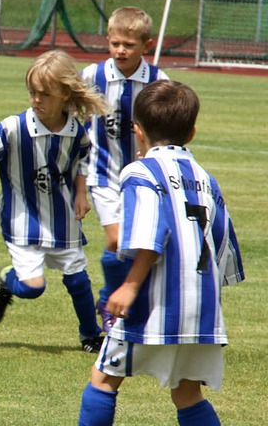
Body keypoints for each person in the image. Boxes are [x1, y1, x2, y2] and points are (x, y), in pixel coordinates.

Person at [78, 80, 245, 426]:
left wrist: (129, 286)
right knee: (187, 394)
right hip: (202, 311)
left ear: (138, 132)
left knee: (104, 379)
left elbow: (150, 235)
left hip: (155, 304)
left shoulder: (140, 173)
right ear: (193, 132)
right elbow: (223, 245)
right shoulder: (205, 179)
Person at [0, 50, 110, 353]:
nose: (36, 99)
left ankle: (90, 334)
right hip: (23, 220)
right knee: (34, 288)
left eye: (45, 94)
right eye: (32, 92)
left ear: (64, 94)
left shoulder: (77, 132)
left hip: (62, 217)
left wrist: (80, 193)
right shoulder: (14, 128)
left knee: (78, 279)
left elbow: (83, 160)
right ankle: (7, 282)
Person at [81, 7, 169, 332]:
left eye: (129, 45)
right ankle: (109, 303)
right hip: (103, 173)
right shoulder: (93, 76)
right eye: (115, 43)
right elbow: (74, 116)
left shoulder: (160, 81)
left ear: (146, 45)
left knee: (134, 243)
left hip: (143, 177)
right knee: (117, 240)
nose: (121, 50)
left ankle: (115, 299)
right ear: (107, 40)